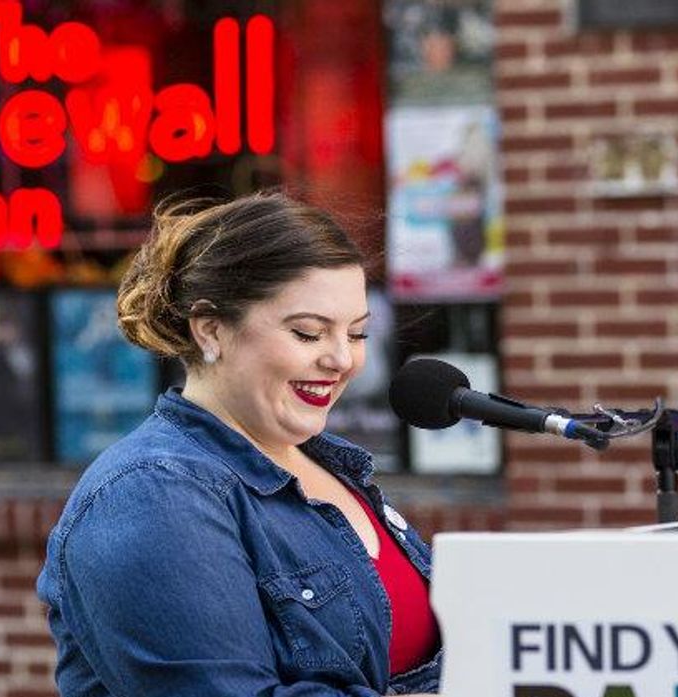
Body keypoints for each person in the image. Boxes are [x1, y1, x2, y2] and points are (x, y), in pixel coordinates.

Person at [36, 192, 442, 696]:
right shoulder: (152, 494)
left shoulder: (329, 465)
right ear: (211, 330)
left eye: (356, 334)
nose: (342, 360)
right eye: (309, 333)